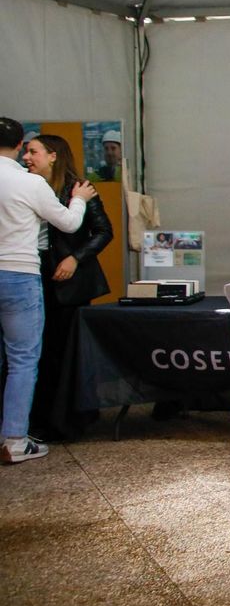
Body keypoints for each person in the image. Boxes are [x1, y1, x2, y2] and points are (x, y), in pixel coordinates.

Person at [0, 117, 95, 465]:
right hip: (19, 274)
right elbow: (69, 223)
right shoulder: (30, 183)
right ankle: (14, 440)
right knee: (22, 360)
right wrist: (79, 199)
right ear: (19, 145)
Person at [23, 135, 113, 440]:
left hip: (70, 283)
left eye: (33, 152)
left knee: (65, 352)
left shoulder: (79, 188)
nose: (26, 158)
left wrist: (76, 258)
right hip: (34, 274)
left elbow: (103, 231)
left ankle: (65, 420)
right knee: (39, 350)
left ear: (53, 156)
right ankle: (36, 418)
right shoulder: (28, 185)